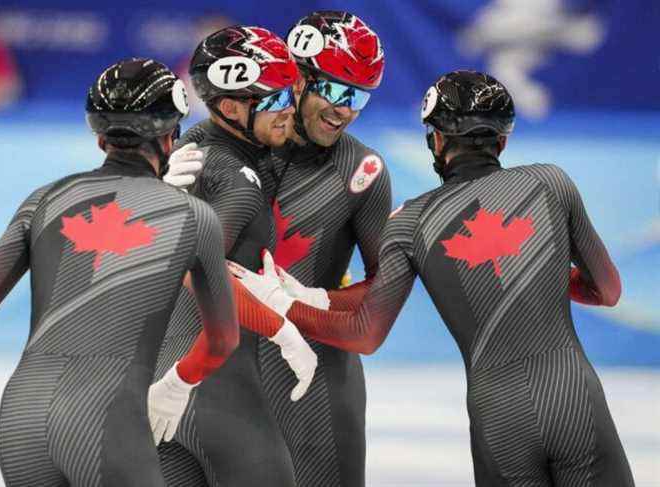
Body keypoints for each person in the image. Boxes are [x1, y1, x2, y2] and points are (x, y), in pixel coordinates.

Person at [232, 70, 636, 486]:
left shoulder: (410, 222)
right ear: (502, 141)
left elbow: (365, 333)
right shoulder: (551, 183)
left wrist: (288, 304)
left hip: (498, 415)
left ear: (437, 140)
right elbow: (607, 291)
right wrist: (537, 268)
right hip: (573, 397)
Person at [0, 58, 240, 487]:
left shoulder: (45, 199)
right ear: (172, 137)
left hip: (22, 421)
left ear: (98, 138)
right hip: (107, 419)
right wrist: (178, 384)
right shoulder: (194, 216)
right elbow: (223, 339)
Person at [173, 12, 390, 486]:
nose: (346, 111)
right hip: (222, 370)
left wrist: (307, 302)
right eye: (335, 91)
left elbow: (379, 305)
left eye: (359, 98)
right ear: (296, 79)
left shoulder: (362, 170)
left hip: (314, 377)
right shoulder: (208, 147)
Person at [155, 26, 318, 487]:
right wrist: (282, 329)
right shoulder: (238, 181)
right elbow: (197, 270)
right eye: (273, 100)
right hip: (213, 385)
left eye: (291, 93)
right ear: (230, 107)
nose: (290, 111)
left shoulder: (186, 151)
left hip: (159, 384)